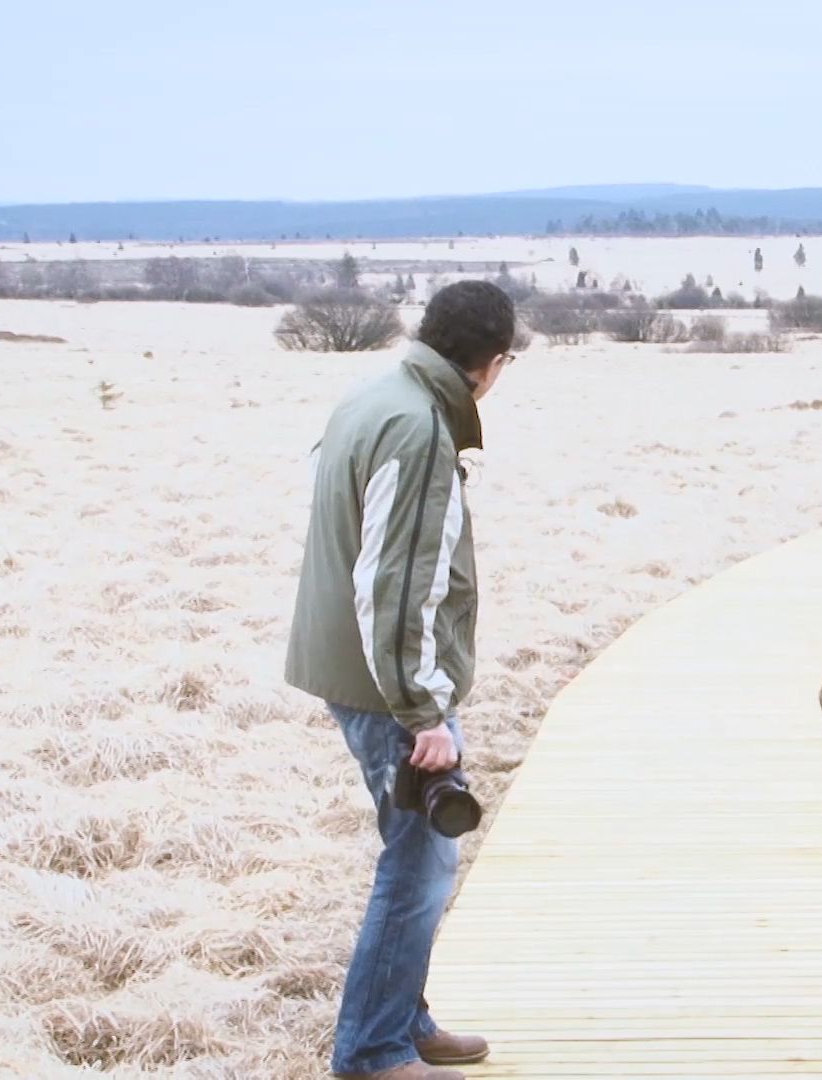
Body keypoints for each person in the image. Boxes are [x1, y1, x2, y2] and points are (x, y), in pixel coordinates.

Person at [286, 280, 518, 1080]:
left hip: (353, 669)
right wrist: (423, 713)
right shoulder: (420, 428)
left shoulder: (378, 395)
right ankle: (375, 1051)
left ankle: (403, 1020)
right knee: (419, 859)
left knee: (416, 850)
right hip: (387, 687)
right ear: (492, 364)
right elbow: (395, 584)